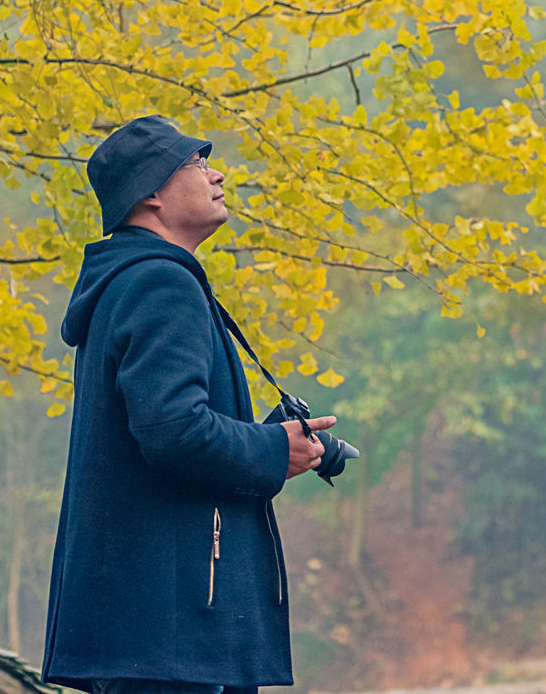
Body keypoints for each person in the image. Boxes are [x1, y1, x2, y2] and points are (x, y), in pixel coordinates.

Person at [43, 115, 339, 694]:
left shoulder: (128, 283)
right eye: (197, 164)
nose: (217, 174)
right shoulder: (160, 283)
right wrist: (274, 447)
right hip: (171, 634)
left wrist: (266, 443)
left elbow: (166, 424)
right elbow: (174, 430)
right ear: (151, 194)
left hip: (148, 630)